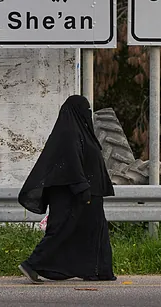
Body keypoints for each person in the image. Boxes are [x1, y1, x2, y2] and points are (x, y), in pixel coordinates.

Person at [17, 95, 117, 284]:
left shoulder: (80, 132)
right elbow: (71, 163)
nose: (88, 113)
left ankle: (98, 271)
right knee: (62, 230)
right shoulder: (69, 134)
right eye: (85, 109)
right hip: (74, 194)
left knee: (95, 231)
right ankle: (32, 264)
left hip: (90, 192)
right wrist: (82, 188)